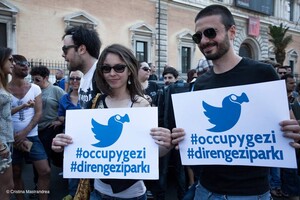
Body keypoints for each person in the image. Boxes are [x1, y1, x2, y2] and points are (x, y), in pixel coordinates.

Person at [171, 4, 300, 200]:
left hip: (251, 193)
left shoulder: (263, 73)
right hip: (205, 191)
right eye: (198, 37)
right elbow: (197, 133)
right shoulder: (201, 84)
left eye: (210, 32)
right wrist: (183, 137)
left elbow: (290, 126)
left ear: (232, 32)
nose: (204, 41)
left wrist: (294, 131)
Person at [52, 44, 172, 199]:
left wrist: (166, 144)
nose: (112, 73)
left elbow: (152, 152)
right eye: (106, 68)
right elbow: (80, 144)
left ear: (129, 70)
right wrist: (62, 145)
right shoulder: (95, 103)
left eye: (119, 68)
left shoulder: (142, 105)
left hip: (133, 194)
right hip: (98, 192)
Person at [8, 55, 51, 200]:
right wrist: (15, 136)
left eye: (27, 63)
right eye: (21, 63)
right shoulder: (4, 89)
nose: (26, 66)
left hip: (32, 136)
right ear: (11, 66)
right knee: (16, 173)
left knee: (45, 171)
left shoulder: (35, 88)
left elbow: (38, 113)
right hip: (10, 138)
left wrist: (24, 133)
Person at [52, 70, 83, 200]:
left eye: (78, 78)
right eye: (72, 78)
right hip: (70, 136)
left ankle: (86, 191)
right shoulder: (64, 98)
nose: (75, 81)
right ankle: (72, 193)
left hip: (87, 135)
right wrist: (70, 119)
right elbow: (60, 115)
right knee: (73, 164)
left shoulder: (90, 96)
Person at [62, 25, 101, 109]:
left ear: (81, 49)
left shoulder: (103, 75)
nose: (62, 55)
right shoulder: (84, 77)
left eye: (65, 49)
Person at [0, 47, 14, 200]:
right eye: (10, 59)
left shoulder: (3, 83)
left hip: (6, 141)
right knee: (7, 187)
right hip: (1, 144)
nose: (13, 63)